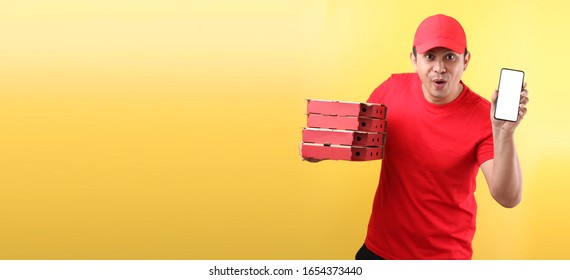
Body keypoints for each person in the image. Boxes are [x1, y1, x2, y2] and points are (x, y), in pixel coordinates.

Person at [302, 14, 529, 259]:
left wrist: (504, 132)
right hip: (380, 250)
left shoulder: (484, 116)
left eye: (450, 57)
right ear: (414, 60)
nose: (439, 68)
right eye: (429, 56)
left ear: (466, 61)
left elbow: (508, 197)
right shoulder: (389, 90)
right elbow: (358, 140)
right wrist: (320, 148)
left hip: (443, 259)